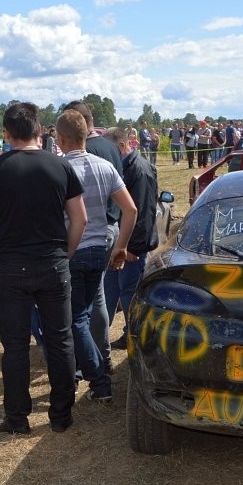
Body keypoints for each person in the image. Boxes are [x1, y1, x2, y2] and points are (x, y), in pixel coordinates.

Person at [0, 101, 86, 435]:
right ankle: (61, 415)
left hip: (11, 266)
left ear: (6, 134)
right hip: (52, 264)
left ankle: (17, 419)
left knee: (15, 346)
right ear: (38, 130)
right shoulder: (61, 166)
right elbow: (81, 218)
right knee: (60, 340)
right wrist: (67, 252)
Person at [58, 109, 136, 404]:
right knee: (97, 305)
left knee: (75, 319)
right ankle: (100, 365)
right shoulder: (105, 166)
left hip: (72, 251)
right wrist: (121, 246)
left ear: (61, 138)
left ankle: (99, 379)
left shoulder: (59, 168)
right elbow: (131, 210)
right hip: (101, 248)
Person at [103, 127, 159, 349]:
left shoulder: (139, 171)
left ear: (120, 146)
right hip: (121, 244)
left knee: (130, 295)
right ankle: (109, 336)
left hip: (131, 248)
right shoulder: (124, 167)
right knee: (111, 290)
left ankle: (135, 338)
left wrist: (132, 248)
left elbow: (143, 213)